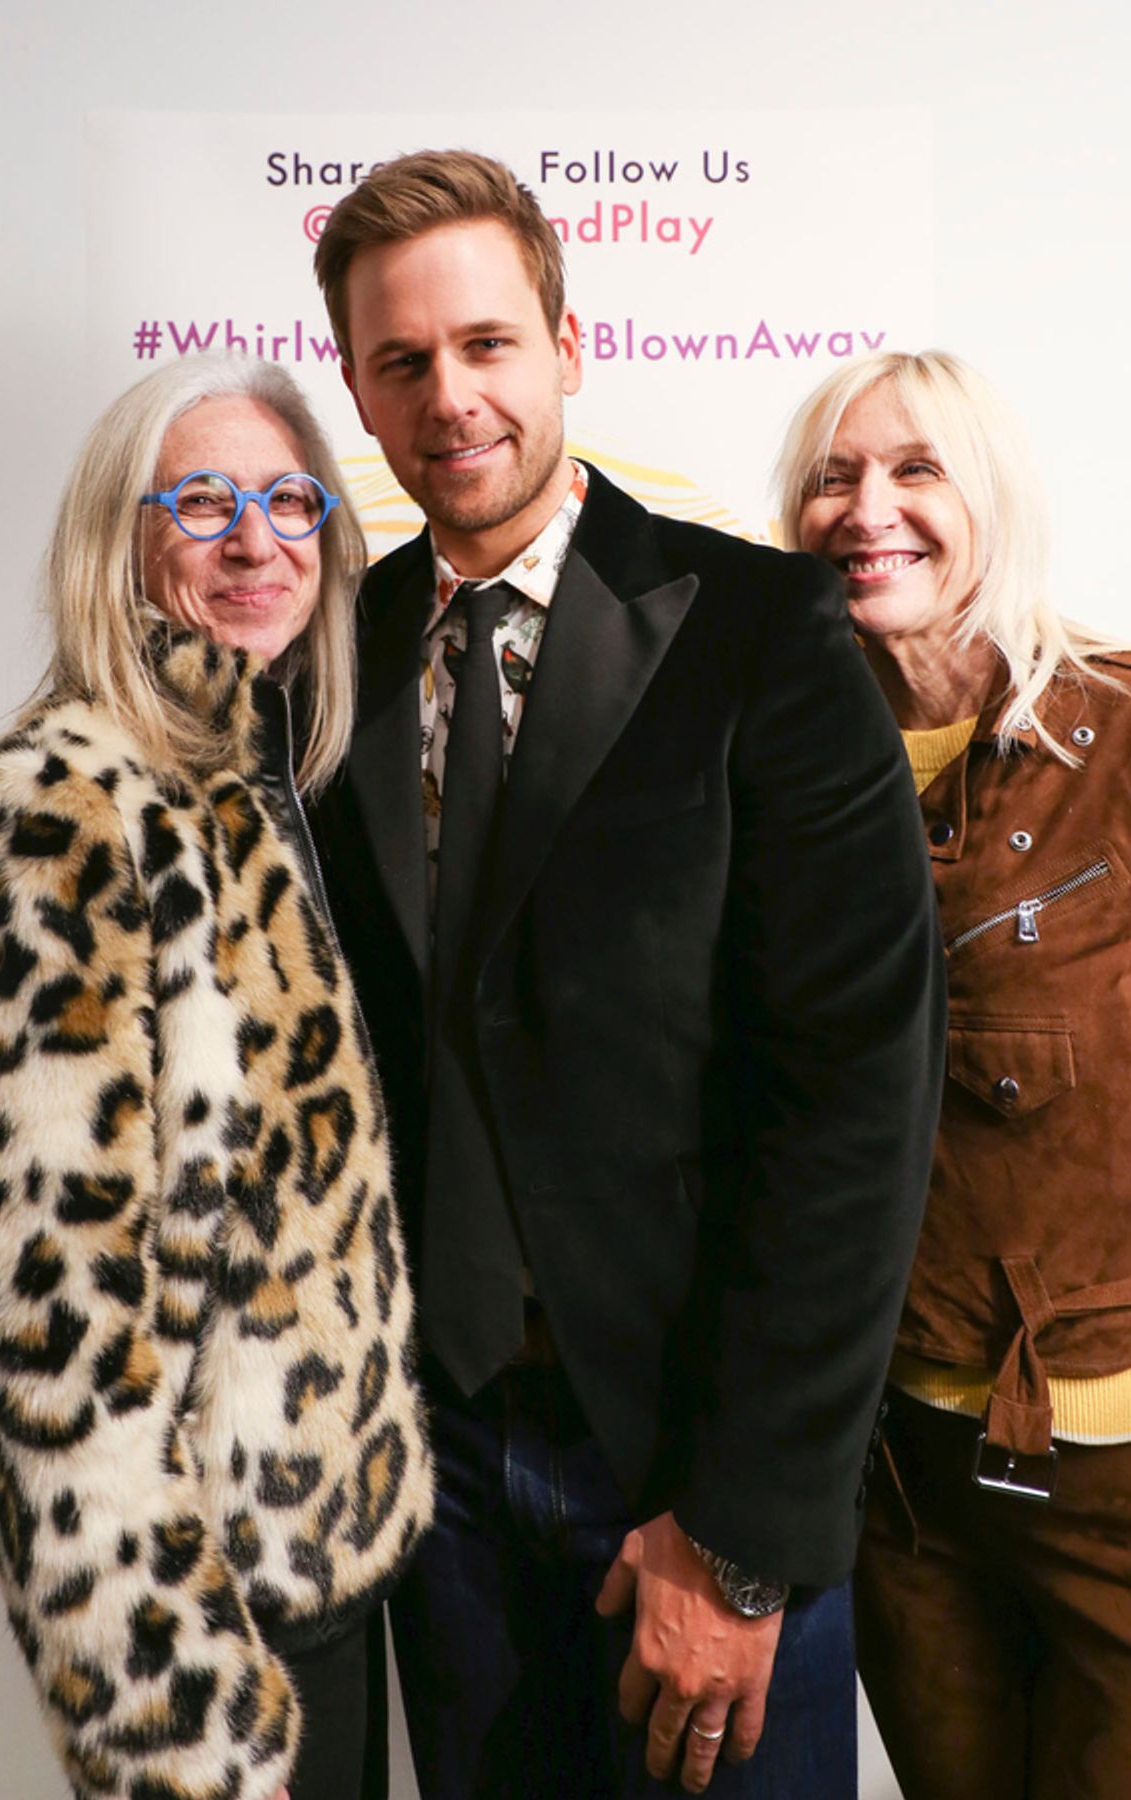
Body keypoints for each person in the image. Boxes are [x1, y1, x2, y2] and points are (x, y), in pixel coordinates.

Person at [308, 149, 944, 1799]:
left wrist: (736, 1543)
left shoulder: (768, 634)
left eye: (488, 344)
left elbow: (858, 1097)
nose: (451, 397)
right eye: (402, 362)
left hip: (696, 1468)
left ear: (570, 348)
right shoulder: (326, 656)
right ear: (362, 394)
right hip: (435, 1485)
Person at [0, 354, 434, 1800]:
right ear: (122, 536)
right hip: (215, 1617)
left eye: (290, 501)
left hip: (321, 1546)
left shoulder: (260, 778)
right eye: (203, 501)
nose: (258, 539)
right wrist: (171, 1703)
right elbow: (42, 1322)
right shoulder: (55, 815)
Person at [777, 347, 1131, 1799]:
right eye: (833, 477)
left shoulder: (1117, 732)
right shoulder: (771, 752)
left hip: (1111, 1464)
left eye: (916, 469)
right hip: (897, 1482)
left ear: (992, 498)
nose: (870, 508)